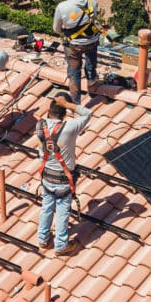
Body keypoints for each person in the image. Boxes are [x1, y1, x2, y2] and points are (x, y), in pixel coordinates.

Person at [36, 92, 93, 255]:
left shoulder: (40, 124)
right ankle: (61, 246)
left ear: (49, 111)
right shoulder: (70, 127)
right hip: (63, 180)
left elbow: (44, 116)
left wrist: (56, 104)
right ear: (65, 113)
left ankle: (43, 239)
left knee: (46, 208)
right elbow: (88, 113)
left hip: (46, 176)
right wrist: (68, 105)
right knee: (62, 211)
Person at [53, 0, 100, 104]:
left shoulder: (62, 7)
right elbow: (94, 16)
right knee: (91, 55)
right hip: (92, 40)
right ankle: (91, 78)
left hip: (73, 44)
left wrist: (68, 29)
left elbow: (56, 29)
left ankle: (76, 103)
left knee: (74, 72)